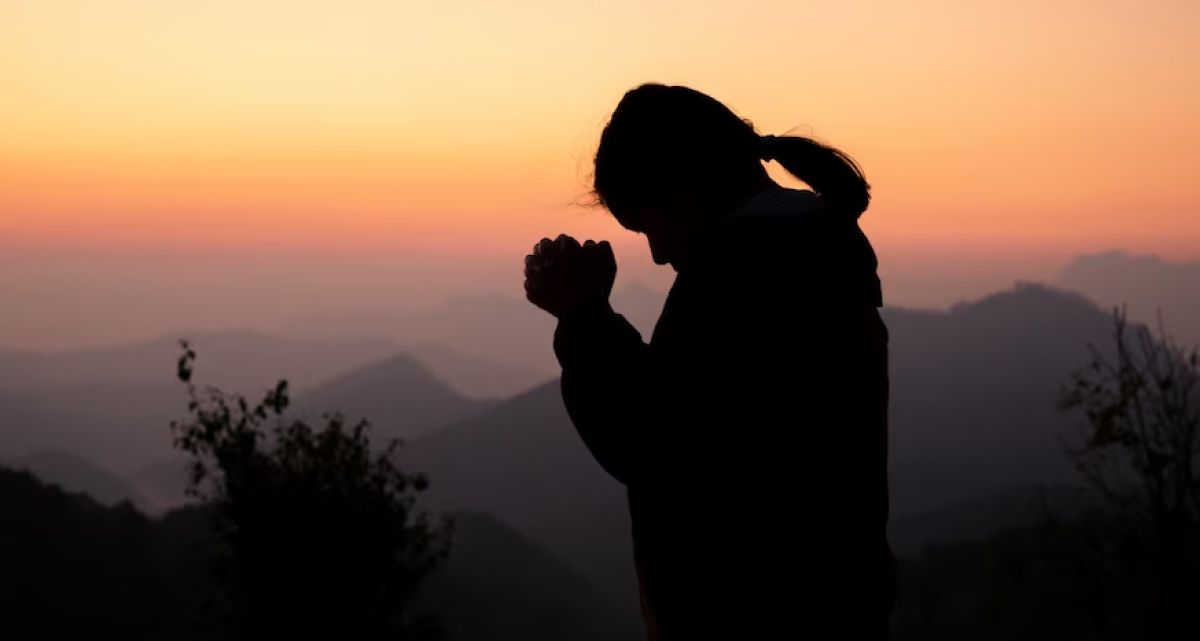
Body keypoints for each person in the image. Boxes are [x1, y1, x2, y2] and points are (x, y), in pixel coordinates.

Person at [523, 83, 893, 640]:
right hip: (840, 606)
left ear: (682, 191)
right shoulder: (812, 253)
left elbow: (653, 445)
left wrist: (583, 318)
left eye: (649, 225)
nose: (657, 253)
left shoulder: (742, 277)